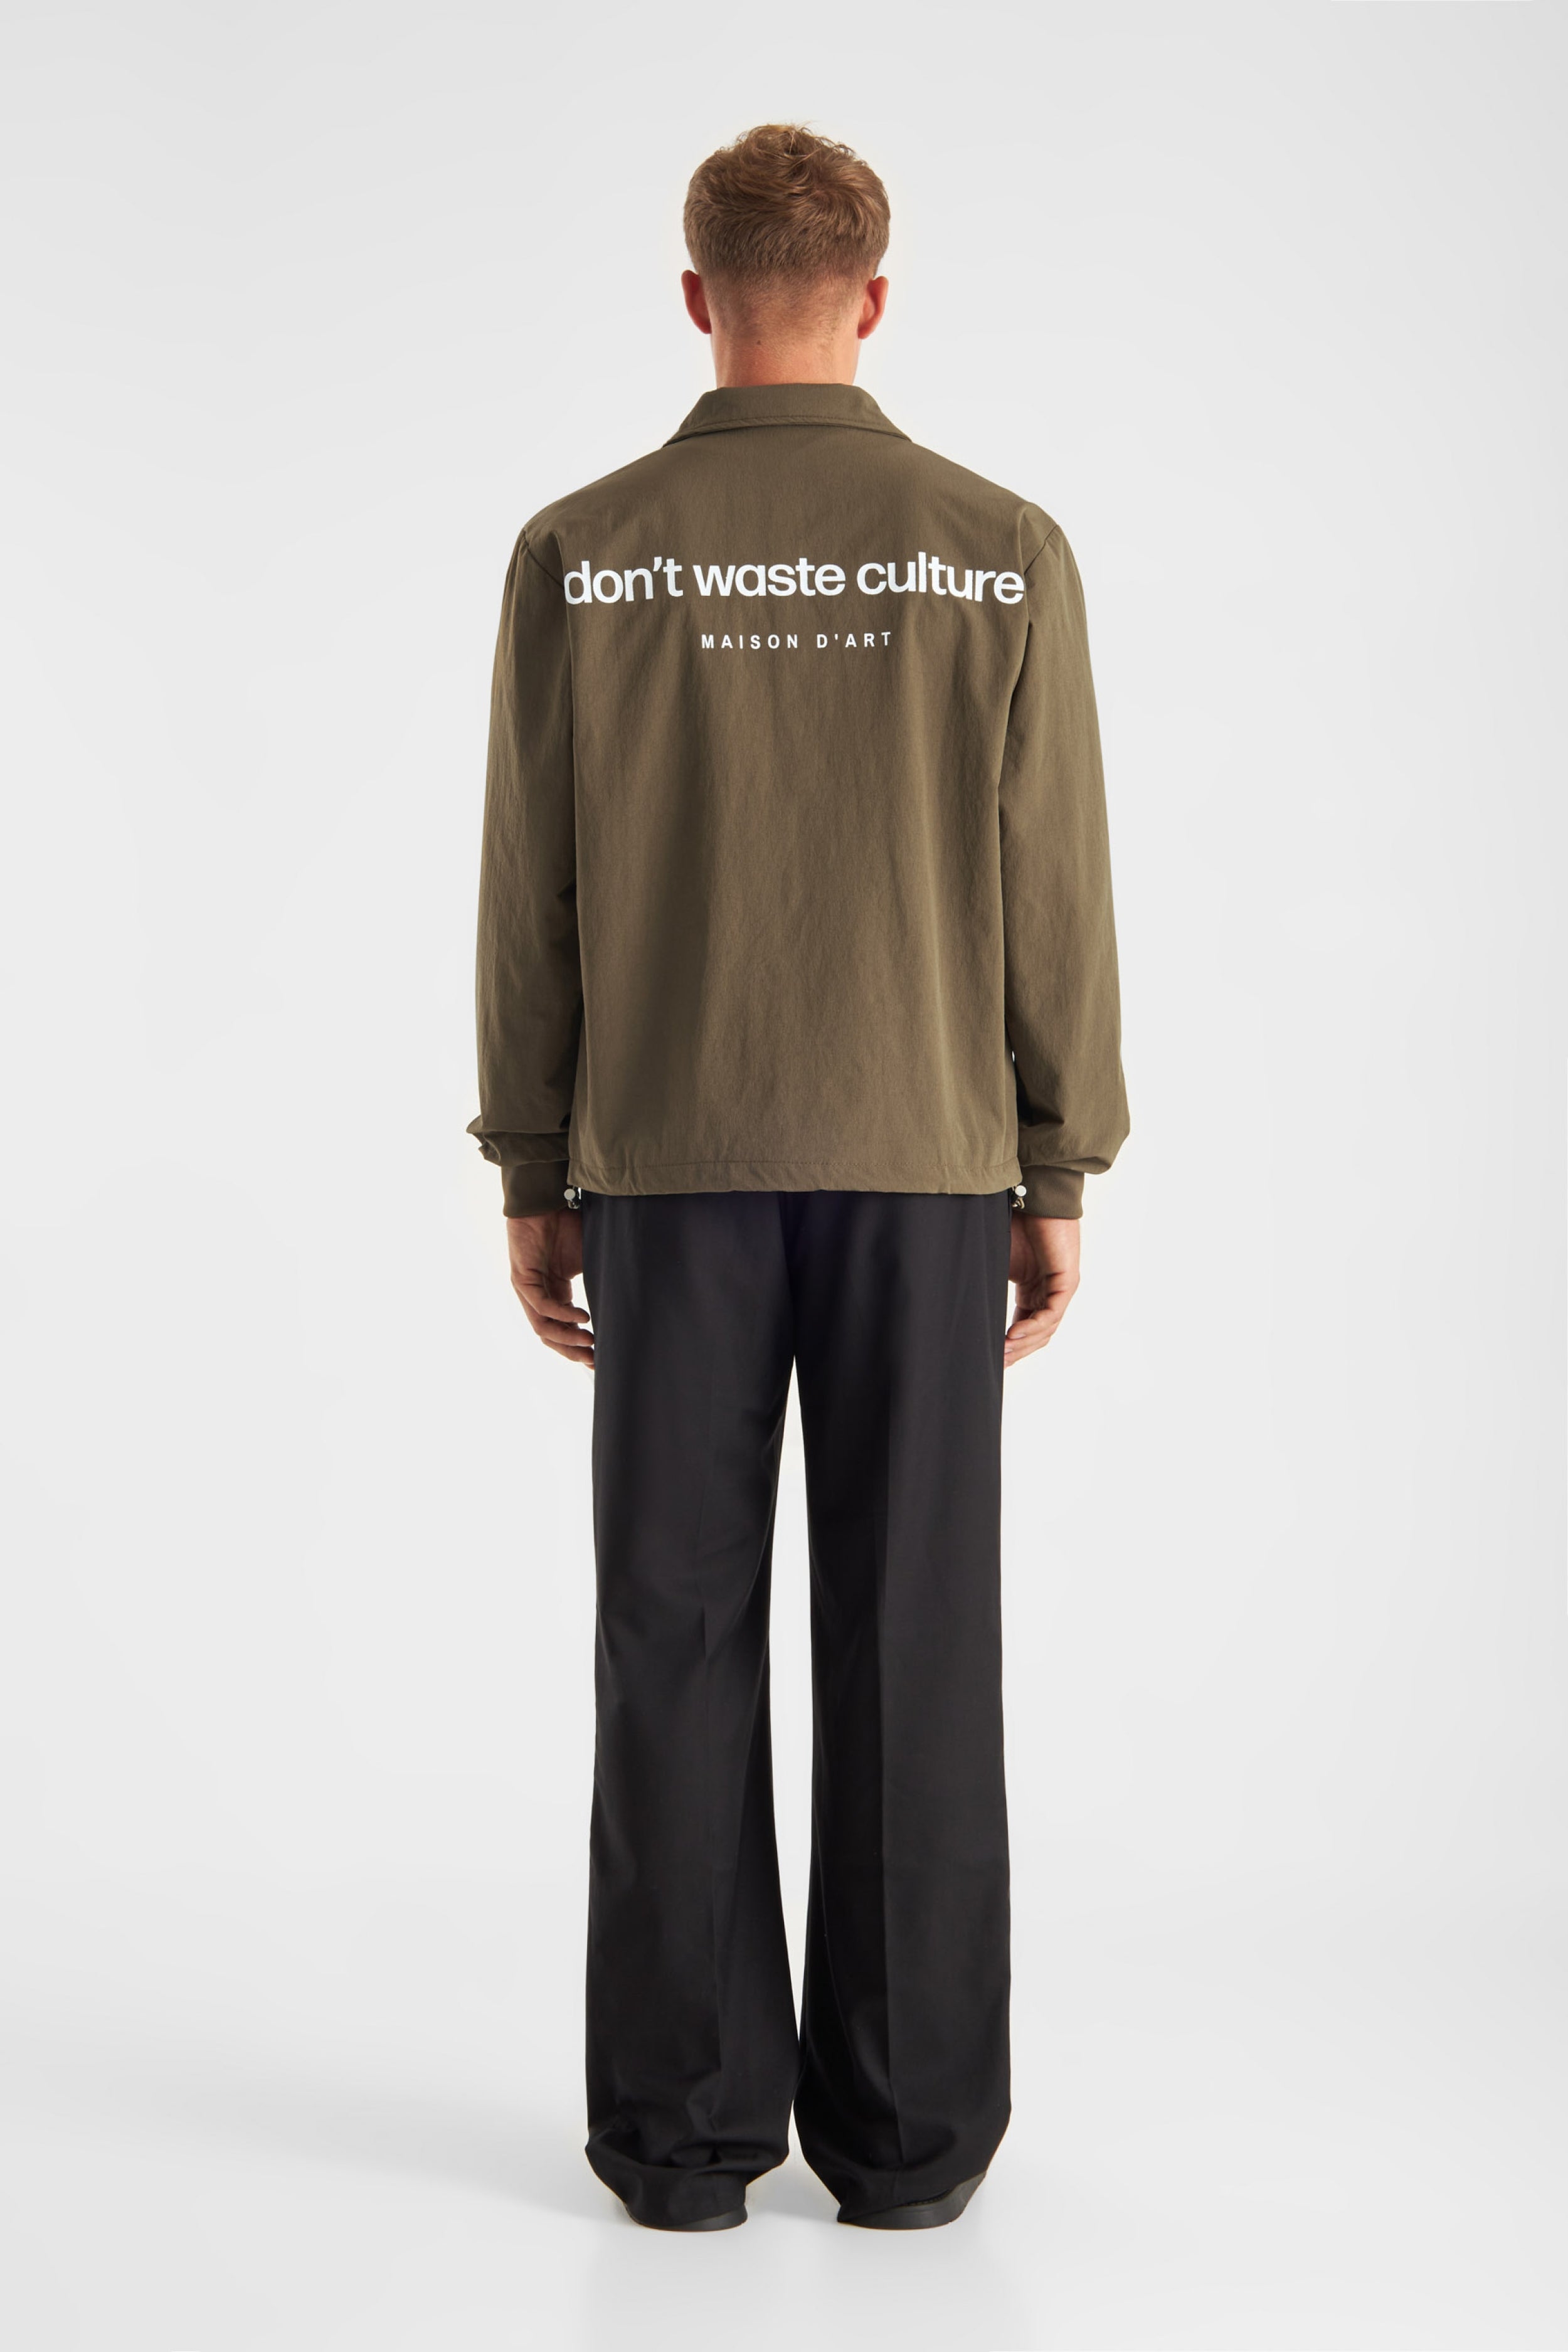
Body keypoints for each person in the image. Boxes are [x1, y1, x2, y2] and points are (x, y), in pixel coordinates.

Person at [467, 123, 1129, 2233]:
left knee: (670, 1634)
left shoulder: (584, 550)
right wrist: (1053, 1158)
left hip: (664, 1161)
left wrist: (530, 1159)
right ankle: (912, 2144)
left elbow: (531, 891)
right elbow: (1051, 884)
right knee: (915, 1633)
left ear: (694, 296)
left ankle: (680, 2143)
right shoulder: (994, 548)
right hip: (923, 1159)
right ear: (874, 296)